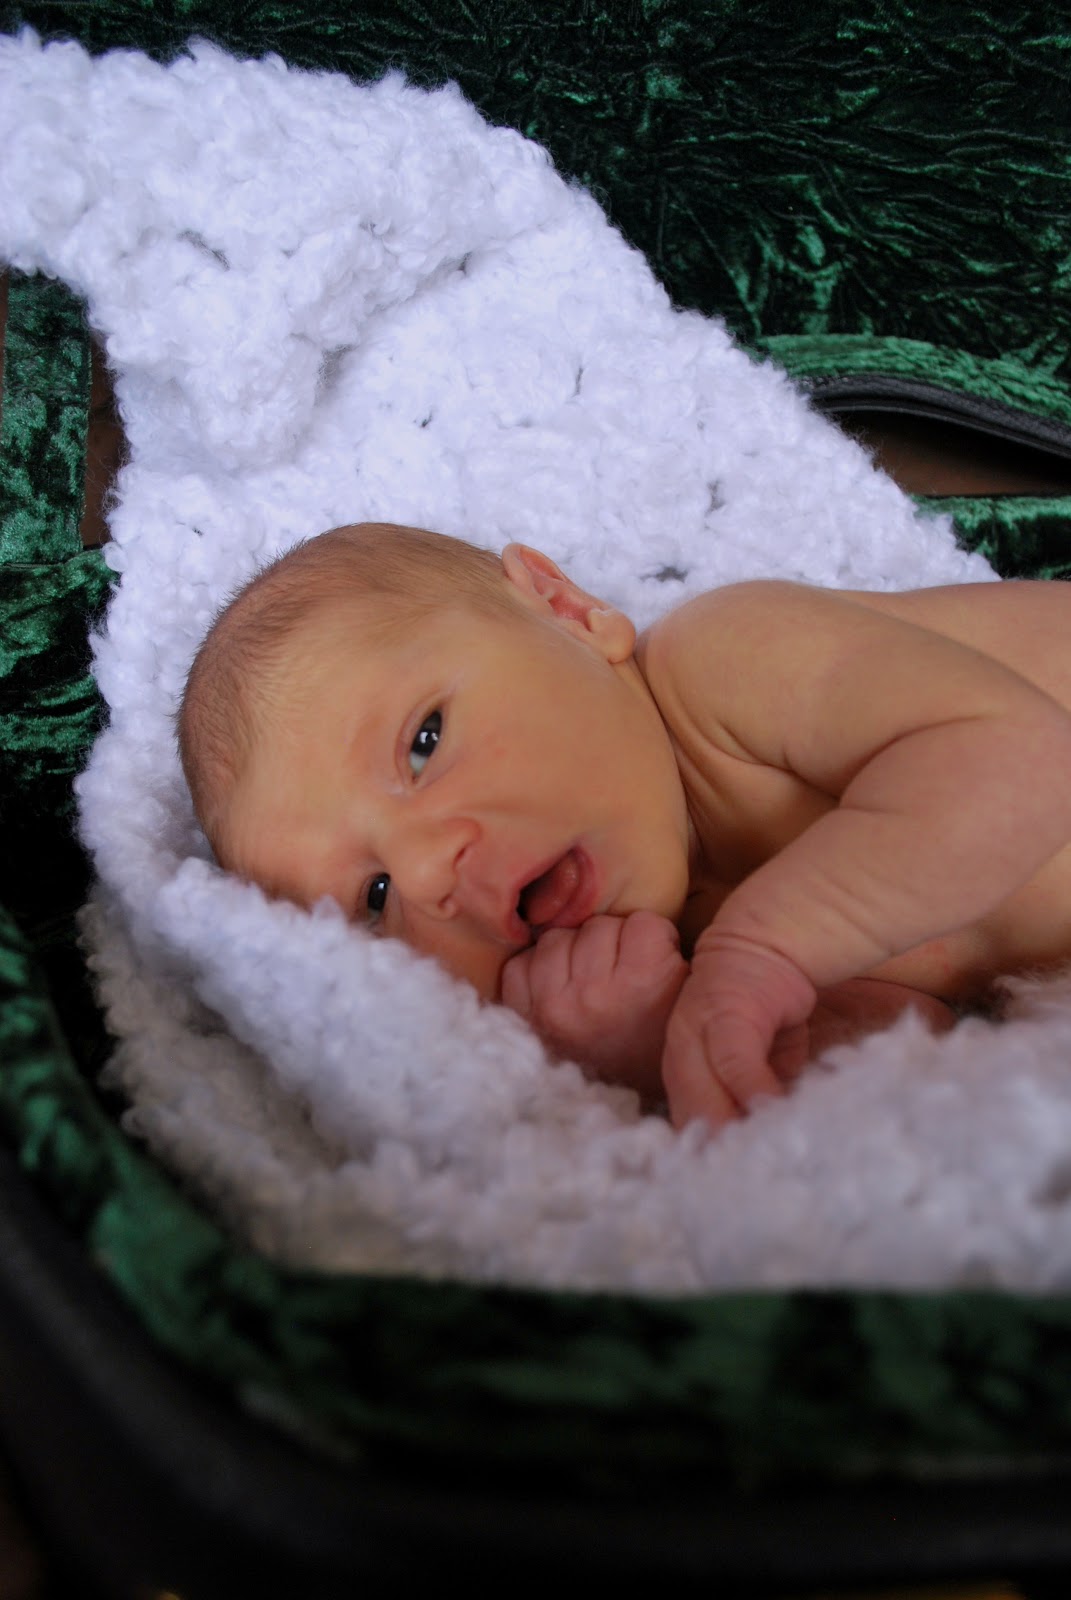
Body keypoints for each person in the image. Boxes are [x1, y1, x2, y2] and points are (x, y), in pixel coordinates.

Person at [178, 521, 1071, 1130]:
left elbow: (1023, 760)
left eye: (424, 742)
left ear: (567, 612)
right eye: (372, 900)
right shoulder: (693, 944)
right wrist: (655, 1051)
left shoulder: (723, 664)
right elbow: (911, 1070)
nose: (423, 874)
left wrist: (764, 952)